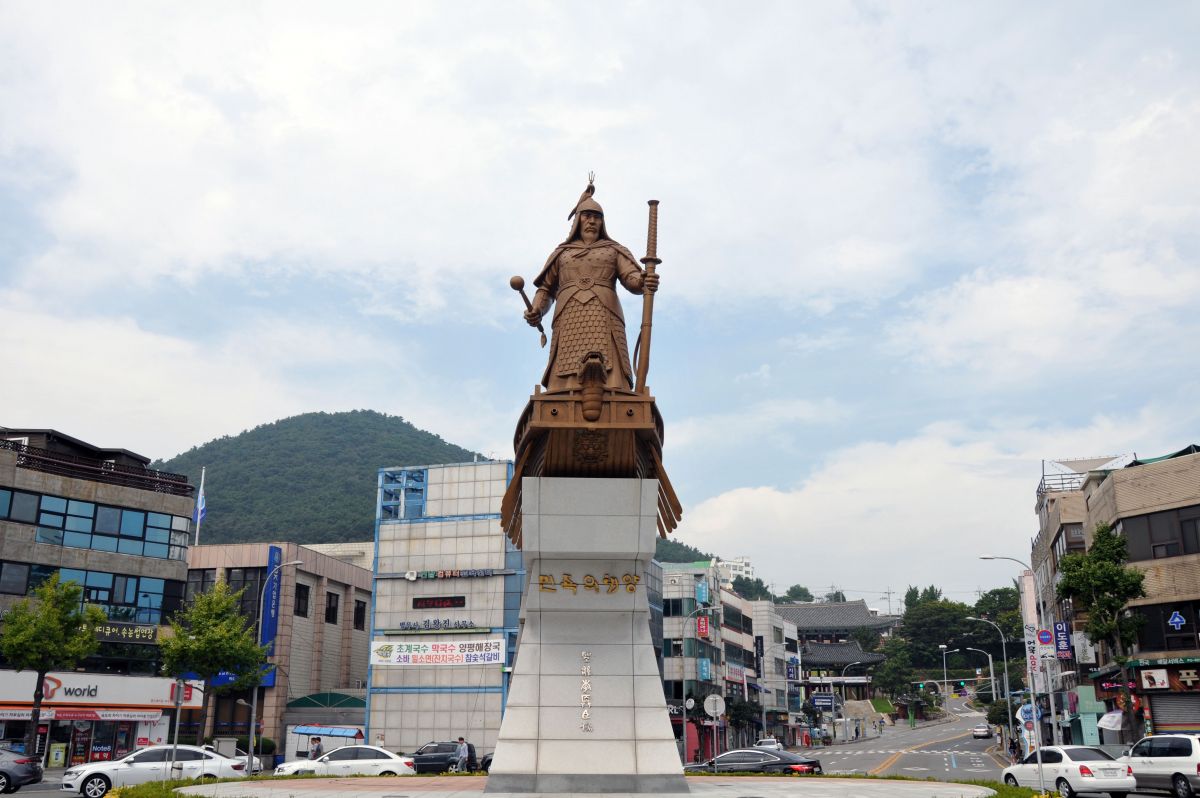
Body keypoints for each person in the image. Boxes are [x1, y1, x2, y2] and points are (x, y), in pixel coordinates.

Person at [524, 178, 659, 392]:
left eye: (597, 217)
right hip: (569, 317)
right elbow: (546, 289)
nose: (592, 221)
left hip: (605, 315)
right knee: (566, 365)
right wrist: (537, 309)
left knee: (610, 365)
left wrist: (644, 280)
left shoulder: (614, 250)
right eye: (587, 216)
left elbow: (631, 277)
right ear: (578, 220)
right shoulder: (562, 253)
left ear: (602, 222)